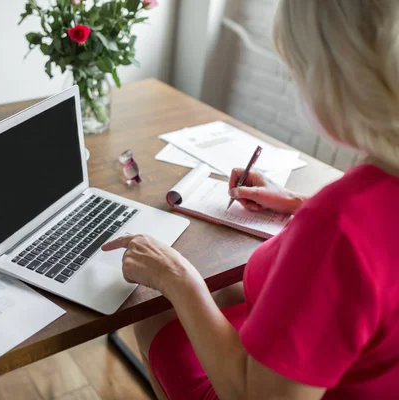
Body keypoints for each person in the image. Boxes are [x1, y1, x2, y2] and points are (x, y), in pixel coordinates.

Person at [101, 1, 399, 399]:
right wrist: (296, 202)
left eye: (296, 68)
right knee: (227, 289)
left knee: (155, 313)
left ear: (336, 78)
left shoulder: (336, 229)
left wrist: (177, 278)